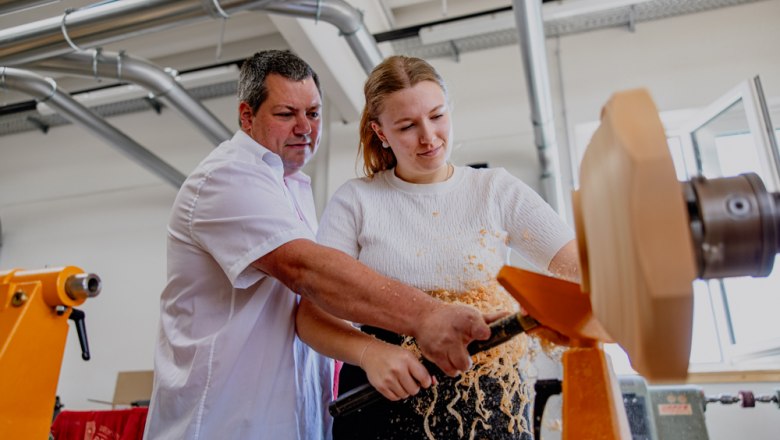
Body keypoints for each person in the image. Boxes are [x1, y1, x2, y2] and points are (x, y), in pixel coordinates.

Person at [143, 50, 496, 440]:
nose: (304, 128)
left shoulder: (290, 188)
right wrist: (427, 316)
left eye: (313, 113)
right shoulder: (227, 178)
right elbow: (308, 272)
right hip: (223, 424)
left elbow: (307, 311)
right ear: (247, 116)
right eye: (285, 114)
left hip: (292, 422)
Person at [296, 55, 579, 440]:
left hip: (490, 400)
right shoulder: (357, 201)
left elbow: (576, 268)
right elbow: (310, 315)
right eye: (408, 126)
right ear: (381, 132)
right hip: (383, 396)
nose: (429, 137)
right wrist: (369, 353)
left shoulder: (495, 190)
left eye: (438, 116)